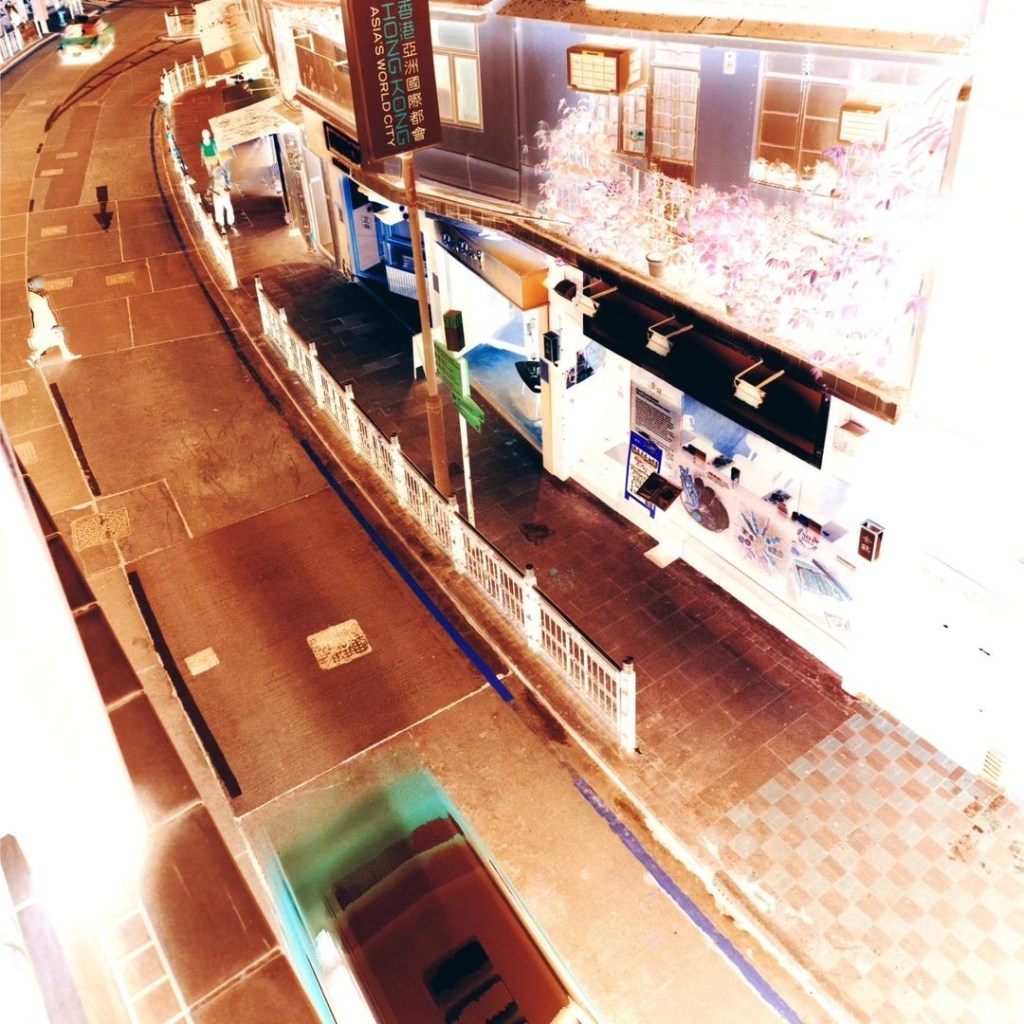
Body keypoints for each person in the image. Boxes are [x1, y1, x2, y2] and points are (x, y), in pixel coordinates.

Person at [25, 276, 80, 366]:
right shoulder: (39, 298)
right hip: (44, 326)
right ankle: (66, 355)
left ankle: (32, 358)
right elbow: (45, 312)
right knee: (58, 336)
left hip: (39, 328)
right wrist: (54, 325)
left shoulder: (31, 296)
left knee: (51, 341)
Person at [208, 167, 238, 236]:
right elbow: (209, 189)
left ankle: (232, 224)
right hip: (217, 198)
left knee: (229, 209)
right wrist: (215, 193)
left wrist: (227, 190)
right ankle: (221, 226)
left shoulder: (226, 180)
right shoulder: (212, 180)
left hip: (225, 197)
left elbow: (229, 188)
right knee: (219, 211)